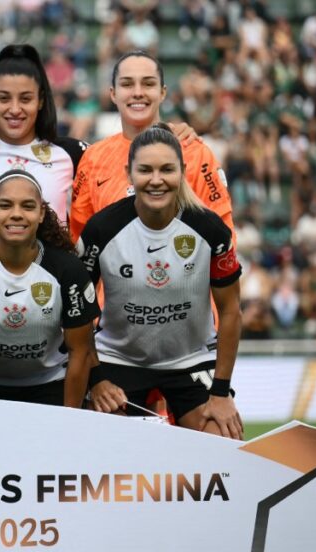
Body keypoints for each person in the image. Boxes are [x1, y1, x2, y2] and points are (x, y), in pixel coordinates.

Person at [78, 125, 243, 439]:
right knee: (102, 442)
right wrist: (96, 378)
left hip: (191, 359)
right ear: (129, 173)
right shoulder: (101, 229)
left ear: (182, 171)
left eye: (167, 169)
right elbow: (76, 314)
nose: (156, 180)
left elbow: (232, 311)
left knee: (224, 438)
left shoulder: (211, 230)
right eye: (145, 170)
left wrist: (222, 392)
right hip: (118, 358)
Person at [0, 169, 98, 407]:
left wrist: (70, 418)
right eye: (5, 206)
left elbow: (80, 352)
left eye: (27, 206)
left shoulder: (68, 270)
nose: (16, 215)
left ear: (41, 213)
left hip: (49, 384)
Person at [70, 50, 234, 243]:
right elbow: (78, 239)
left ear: (162, 92)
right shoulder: (93, 158)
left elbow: (224, 236)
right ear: (113, 94)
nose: (138, 92)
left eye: (148, 83)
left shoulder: (194, 152)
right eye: (127, 84)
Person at [0, 44, 88, 235]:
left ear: (41, 101)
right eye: (4, 98)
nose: (14, 109)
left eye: (25, 99)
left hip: (51, 265)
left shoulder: (74, 154)